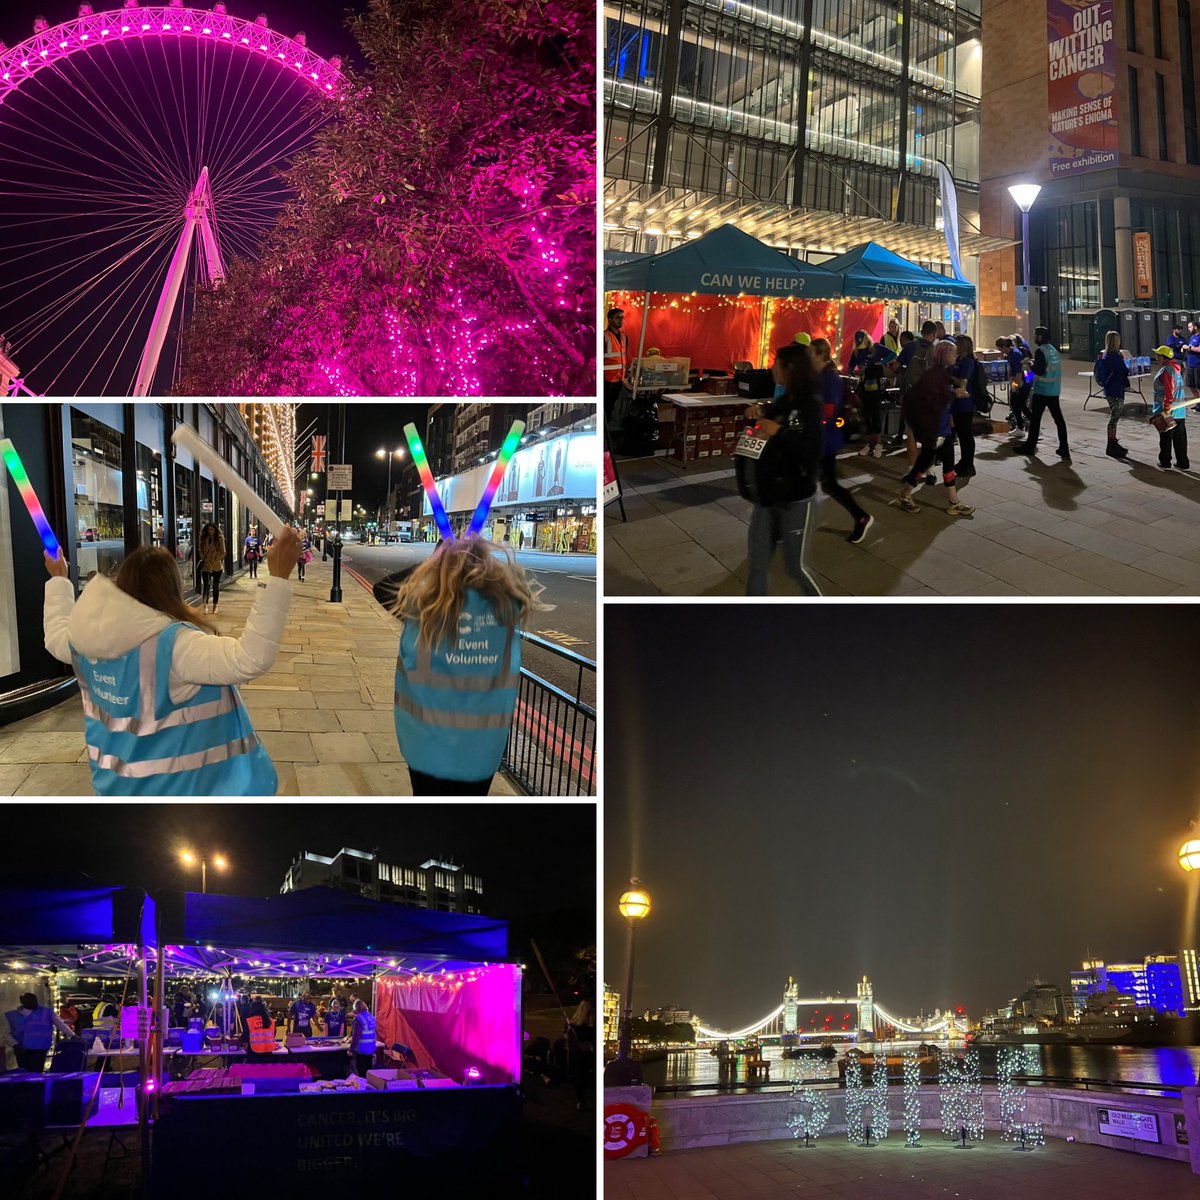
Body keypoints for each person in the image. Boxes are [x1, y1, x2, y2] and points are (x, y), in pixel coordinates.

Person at [43, 531, 302, 796]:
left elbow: (54, 635)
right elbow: (250, 658)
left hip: (115, 789)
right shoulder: (175, 647)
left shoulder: (84, 642)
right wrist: (278, 579)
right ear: (170, 587)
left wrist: (58, 580)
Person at [392, 536, 541, 795]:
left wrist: (437, 562)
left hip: (423, 745)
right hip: (481, 752)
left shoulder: (423, 608)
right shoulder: (507, 608)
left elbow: (383, 588)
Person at [739, 342, 824, 595]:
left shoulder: (810, 401)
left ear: (789, 368)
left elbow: (809, 447)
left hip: (798, 496)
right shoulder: (786, 398)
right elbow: (776, 413)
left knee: (795, 567)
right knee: (758, 563)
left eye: (775, 362)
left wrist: (779, 431)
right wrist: (759, 411)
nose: (771, 367)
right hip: (769, 494)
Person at [895, 339, 975, 518]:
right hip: (934, 428)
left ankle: (953, 500)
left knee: (947, 463)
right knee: (923, 464)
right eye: (952, 352)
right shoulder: (934, 374)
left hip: (942, 427)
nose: (955, 355)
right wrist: (953, 393)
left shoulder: (943, 373)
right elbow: (932, 400)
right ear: (943, 355)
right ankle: (905, 493)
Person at [811, 337, 873, 543]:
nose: (808, 358)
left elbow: (829, 410)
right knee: (825, 484)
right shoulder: (820, 376)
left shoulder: (830, 378)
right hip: (820, 439)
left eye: (811, 354)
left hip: (826, 439)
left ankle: (861, 516)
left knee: (829, 484)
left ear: (821, 355)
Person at [1016, 326, 1070, 460]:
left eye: (1035, 334)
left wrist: (1029, 367)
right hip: (1054, 389)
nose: (1034, 337)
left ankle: (1030, 446)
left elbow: (1039, 371)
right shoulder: (1053, 350)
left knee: (1035, 420)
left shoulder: (1040, 351)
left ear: (1039, 337)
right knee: (1059, 420)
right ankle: (1064, 447)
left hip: (1042, 390)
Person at [6, 993, 75, 1073]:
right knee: (24, 1074)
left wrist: (72, 1035)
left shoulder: (46, 1012)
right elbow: (7, 1033)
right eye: (29, 1001)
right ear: (22, 1001)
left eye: (34, 1001)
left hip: (39, 1050)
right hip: (22, 1050)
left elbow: (60, 1024)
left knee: (36, 1073)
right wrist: (14, 1044)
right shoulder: (13, 1015)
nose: (33, 1003)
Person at [853, 335, 897, 460]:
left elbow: (892, 354)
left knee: (875, 415)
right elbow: (856, 366)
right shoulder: (859, 352)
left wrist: (882, 363)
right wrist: (855, 371)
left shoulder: (877, 348)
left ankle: (877, 444)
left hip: (876, 388)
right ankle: (870, 444)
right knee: (867, 416)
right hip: (865, 388)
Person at [1151, 346, 1189, 469]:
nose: (1156, 357)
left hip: (1169, 411)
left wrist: (1166, 408)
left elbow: (1169, 390)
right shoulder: (1176, 369)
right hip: (1179, 411)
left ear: (1164, 357)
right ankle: (1183, 463)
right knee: (1180, 439)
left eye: (1158, 355)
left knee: (1166, 438)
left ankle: (1165, 462)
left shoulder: (1167, 370)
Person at [1095, 331, 1131, 459]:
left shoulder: (1104, 355)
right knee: (1115, 416)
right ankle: (1111, 444)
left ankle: (1113, 442)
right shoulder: (1116, 357)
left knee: (1114, 414)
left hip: (1108, 389)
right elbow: (1124, 371)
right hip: (1116, 389)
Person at [951, 334, 982, 480]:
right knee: (962, 434)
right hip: (958, 403)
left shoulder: (968, 362)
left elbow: (963, 382)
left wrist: (950, 376)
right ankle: (964, 461)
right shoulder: (960, 360)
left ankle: (968, 464)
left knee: (966, 434)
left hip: (965, 403)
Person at [603, 307, 629, 421]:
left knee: (611, 406)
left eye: (622, 318)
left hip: (619, 378)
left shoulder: (624, 337)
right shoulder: (604, 336)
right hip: (607, 379)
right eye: (617, 318)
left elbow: (622, 357)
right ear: (609, 319)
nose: (620, 320)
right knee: (605, 406)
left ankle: (606, 427)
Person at [197, 521, 226, 615]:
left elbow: (223, 552)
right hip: (206, 564)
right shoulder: (203, 538)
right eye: (208, 529)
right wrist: (203, 558)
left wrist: (216, 558)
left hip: (216, 565)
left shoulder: (219, 539)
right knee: (206, 585)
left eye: (212, 529)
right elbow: (200, 549)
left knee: (215, 585)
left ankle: (215, 605)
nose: (210, 531)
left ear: (215, 530)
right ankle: (205, 605)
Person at [349, 999, 376, 1077]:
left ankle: (362, 1088)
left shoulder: (358, 1019)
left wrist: (350, 1050)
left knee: (361, 1073)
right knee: (369, 1072)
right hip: (371, 1049)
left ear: (356, 1009)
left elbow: (356, 1036)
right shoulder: (371, 1017)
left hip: (361, 1050)